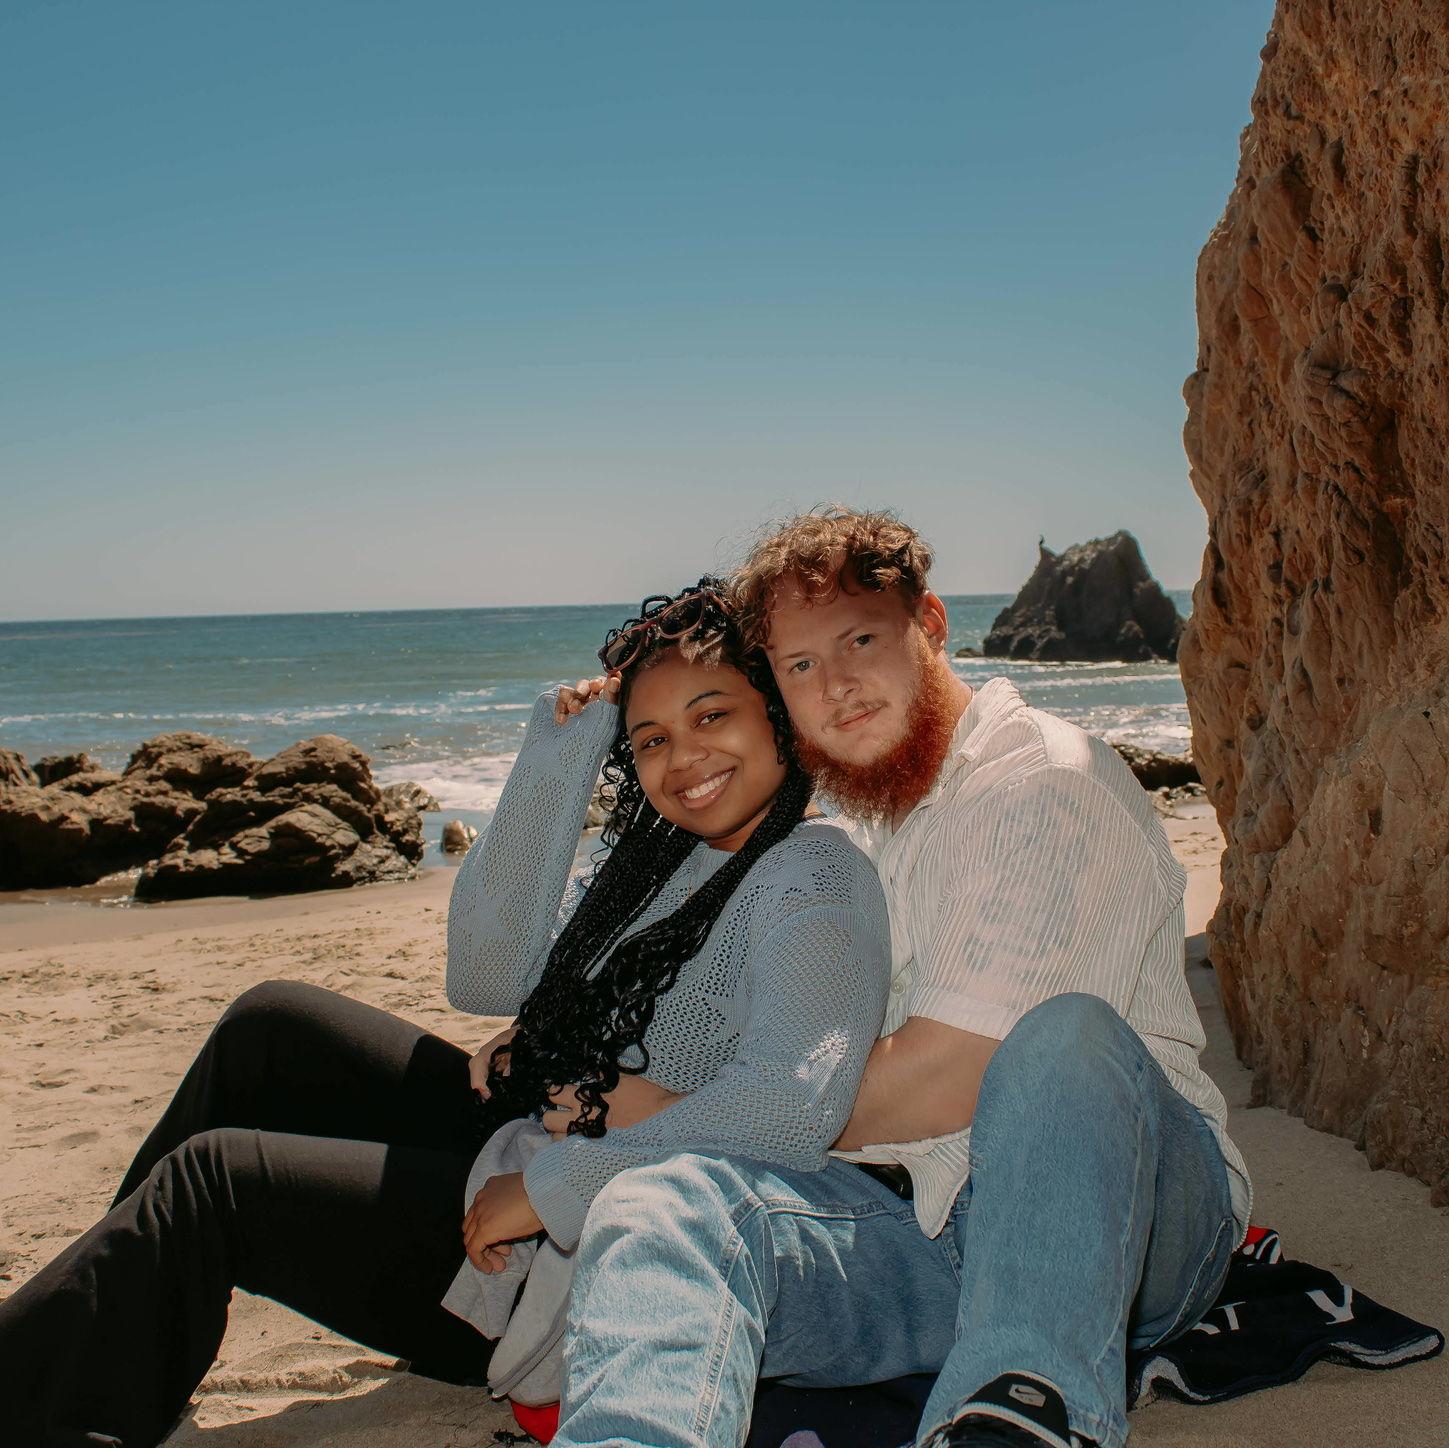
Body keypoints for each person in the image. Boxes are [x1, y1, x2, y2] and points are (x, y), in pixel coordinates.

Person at [0, 580, 890, 1448]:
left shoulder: (812, 874)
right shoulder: (663, 858)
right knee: (268, 1028)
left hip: (572, 1251)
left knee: (219, 1182)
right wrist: (561, 753)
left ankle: (34, 1392)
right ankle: (85, 1328)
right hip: (535, 1136)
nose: (682, 759)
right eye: (649, 739)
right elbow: (486, 974)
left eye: (711, 716)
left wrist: (547, 1193)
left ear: (777, 713)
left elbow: (789, 1106)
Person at [547, 513, 1253, 1448]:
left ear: (930, 624)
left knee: (1059, 1041)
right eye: (796, 667)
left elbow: (946, 1074)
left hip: (1126, 1218)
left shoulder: (1040, 782)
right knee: (658, 1207)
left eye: (859, 640)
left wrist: (663, 1114)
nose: (834, 687)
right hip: (914, 1223)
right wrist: (607, 713)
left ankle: (1026, 1409)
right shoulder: (859, 810)